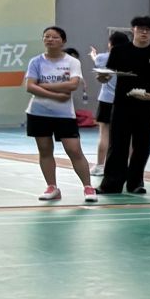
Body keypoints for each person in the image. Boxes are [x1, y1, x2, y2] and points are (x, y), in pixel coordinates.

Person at [98, 16, 150, 197]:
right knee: (117, 144)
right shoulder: (119, 51)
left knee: (142, 145)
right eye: (140, 29)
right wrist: (102, 77)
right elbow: (108, 74)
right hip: (122, 105)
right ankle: (111, 183)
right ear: (133, 30)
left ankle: (135, 182)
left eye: (148, 30)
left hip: (146, 106)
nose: (144, 32)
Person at [24, 25, 94, 202]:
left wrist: (43, 86)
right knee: (45, 151)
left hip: (64, 115)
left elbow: (73, 84)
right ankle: (52, 187)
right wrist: (56, 95)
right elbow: (30, 86)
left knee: (74, 150)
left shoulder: (72, 62)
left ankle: (88, 188)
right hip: (38, 113)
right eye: (46, 36)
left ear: (63, 41)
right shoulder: (36, 62)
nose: (50, 40)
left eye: (54, 37)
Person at [91, 28, 121, 171]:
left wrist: (93, 55)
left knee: (104, 133)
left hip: (106, 100)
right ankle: (128, 167)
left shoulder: (102, 58)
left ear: (110, 44)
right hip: (124, 101)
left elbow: (97, 60)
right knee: (127, 136)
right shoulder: (130, 58)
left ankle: (100, 166)